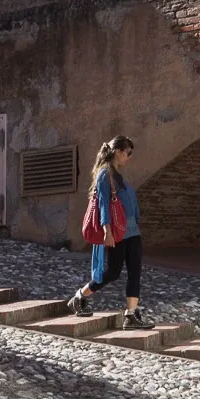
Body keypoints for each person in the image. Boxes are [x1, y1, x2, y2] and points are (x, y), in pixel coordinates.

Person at [68, 135, 149, 328]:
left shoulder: (118, 175)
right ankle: (80, 297)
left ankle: (130, 315)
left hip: (133, 232)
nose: (129, 157)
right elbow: (104, 205)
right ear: (118, 152)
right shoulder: (105, 175)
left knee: (135, 272)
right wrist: (107, 231)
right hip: (118, 233)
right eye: (128, 153)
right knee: (113, 272)